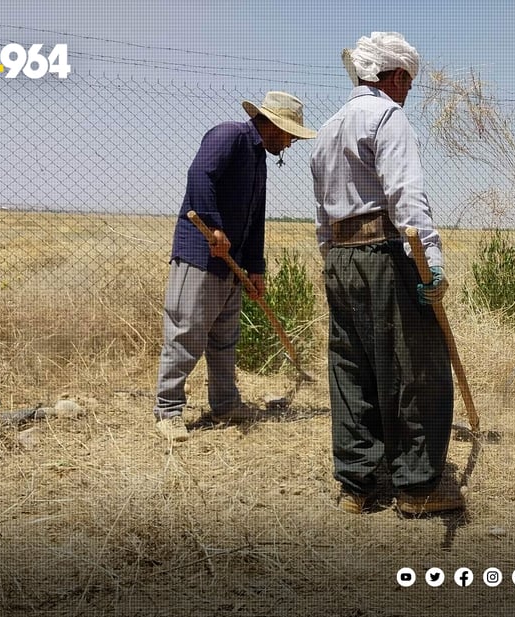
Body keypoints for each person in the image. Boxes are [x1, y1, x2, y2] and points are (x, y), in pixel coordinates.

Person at [310, 32, 461, 516]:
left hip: (341, 258)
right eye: (408, 83)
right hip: (384, 254)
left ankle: (359, 484)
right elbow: (405, 197)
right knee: (418, 367)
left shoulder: (330, 127)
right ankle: (417, 488)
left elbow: (321, 213)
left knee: (352, 366)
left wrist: (331, 257)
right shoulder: (388, 118)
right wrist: (431, 263)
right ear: (394, 77)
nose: (408, 92)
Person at [153, 91, 317, 442]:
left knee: (225, 338)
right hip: (201, 255)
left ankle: (226, 404)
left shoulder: (258, 159)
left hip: (231, 264)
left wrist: (255, 268)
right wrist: (214, 227)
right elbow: (199, 174)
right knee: (186, 334)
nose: (290, 144)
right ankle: (168, 411)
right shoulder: (229, 135)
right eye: (289, 135)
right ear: (273, 125)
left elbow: (255, 219)